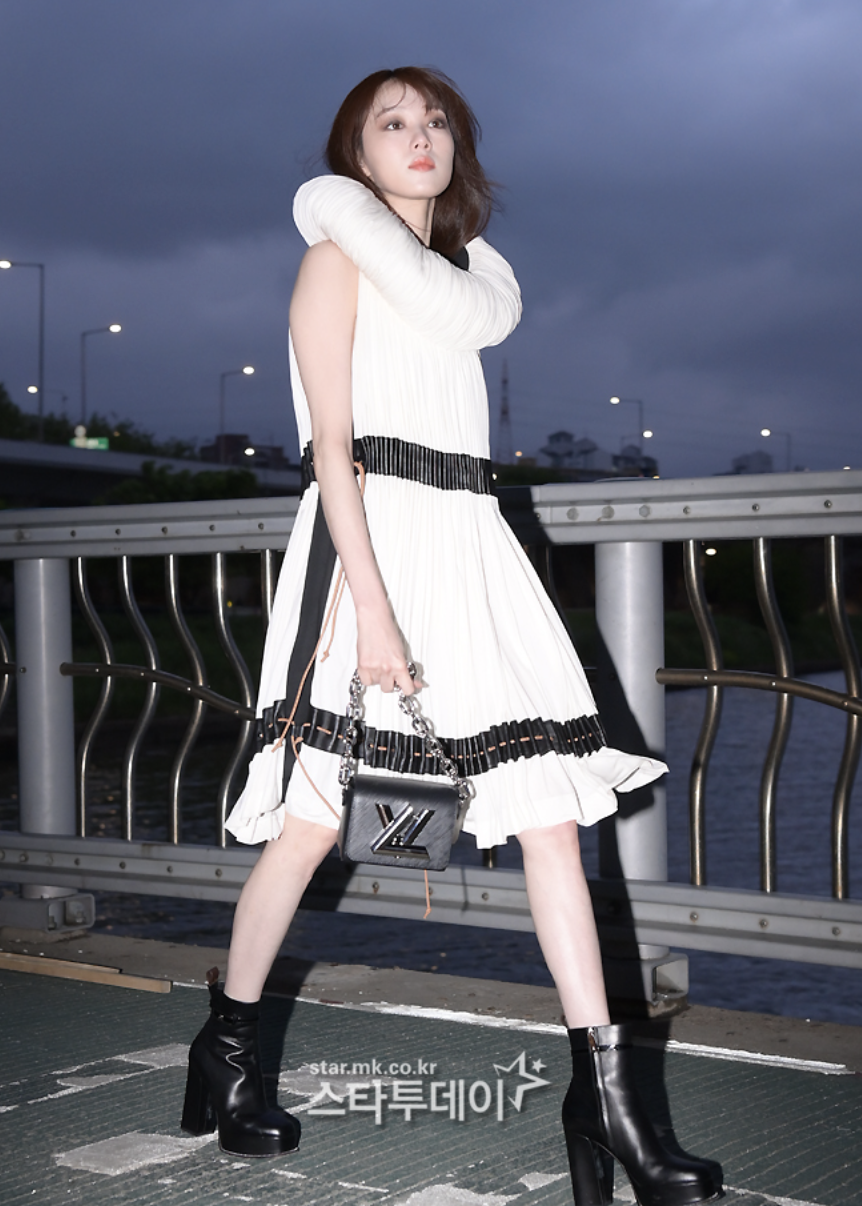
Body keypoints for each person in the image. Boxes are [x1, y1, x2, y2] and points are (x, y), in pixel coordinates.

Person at [182, 66, 721, 1204]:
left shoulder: (464, 281)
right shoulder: (334, 261)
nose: (419, 136)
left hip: (470, 546)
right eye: (393, 123)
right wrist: (372, 609)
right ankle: (226, 1051)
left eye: (435, 121)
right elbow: (333, 453)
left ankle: (609, 1104)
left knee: (549, 817)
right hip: (368, 553)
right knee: (311, 826)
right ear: (358, 152)